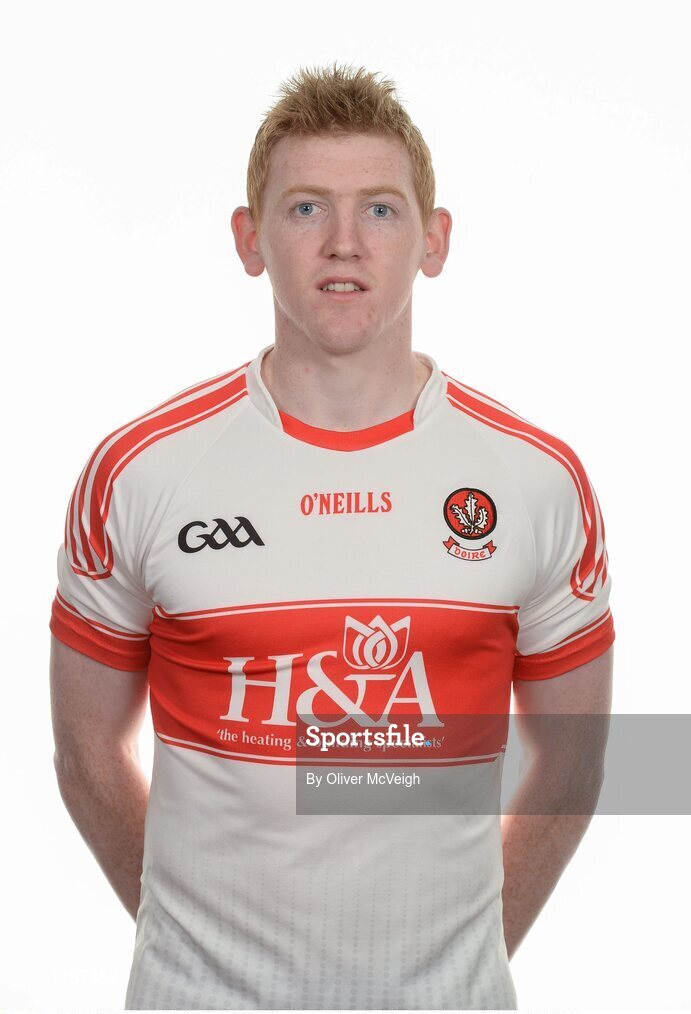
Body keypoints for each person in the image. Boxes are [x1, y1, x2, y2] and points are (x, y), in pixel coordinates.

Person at [49, 62, 615, 1011]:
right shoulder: (139, 472)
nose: (344, 242)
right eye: (306, 208)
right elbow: (84, 756)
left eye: (382, 211)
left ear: (434, 242)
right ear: (250, 238)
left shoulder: (535, 480)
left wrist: (462, 957)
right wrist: (191, 948)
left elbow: (578, 761)